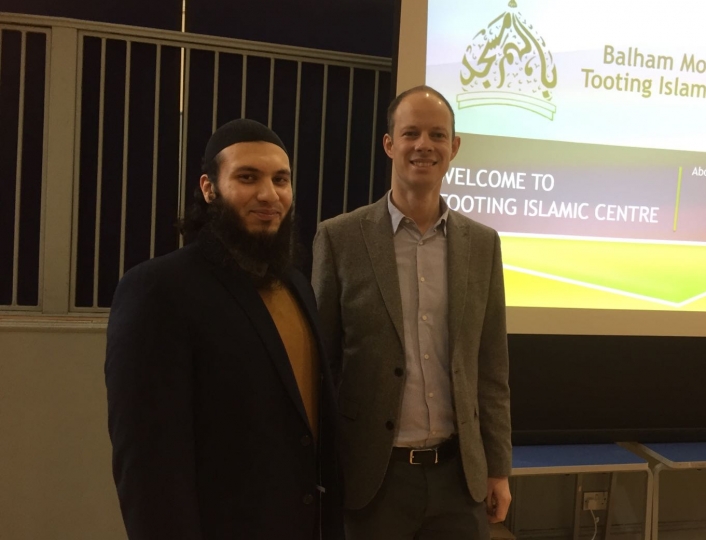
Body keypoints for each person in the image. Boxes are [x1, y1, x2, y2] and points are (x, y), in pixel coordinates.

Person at [105, 119, 341, 540]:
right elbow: (147, 465)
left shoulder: (297, 284)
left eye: (280, 179)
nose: (269, 194)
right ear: (209, 187)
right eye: (247, 177)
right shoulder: (158, 289)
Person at [311, 86, 512, 539]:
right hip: (374, 480)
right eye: (411, 133)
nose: (425, 145)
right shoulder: (340, 239)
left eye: (438, 135)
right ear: (389, 144)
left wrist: (497, 468)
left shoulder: (482, 245)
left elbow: (490, 367)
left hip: (458, 481)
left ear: (454, 147)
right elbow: (321, 366)